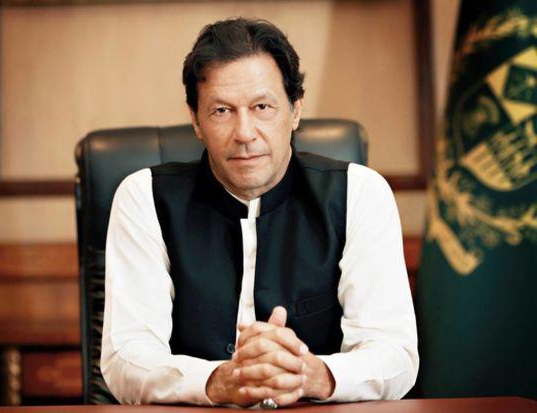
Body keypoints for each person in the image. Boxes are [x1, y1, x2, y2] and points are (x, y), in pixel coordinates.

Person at [101, 17, 418, 407]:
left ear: (295, 110)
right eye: (222, 111)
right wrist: (217, 381)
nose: (245, 133)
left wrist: (311, 374)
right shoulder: (145, 198)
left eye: (262, 107)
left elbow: (395, 354)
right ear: (196, 120)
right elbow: (126, 358)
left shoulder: (360, 193)